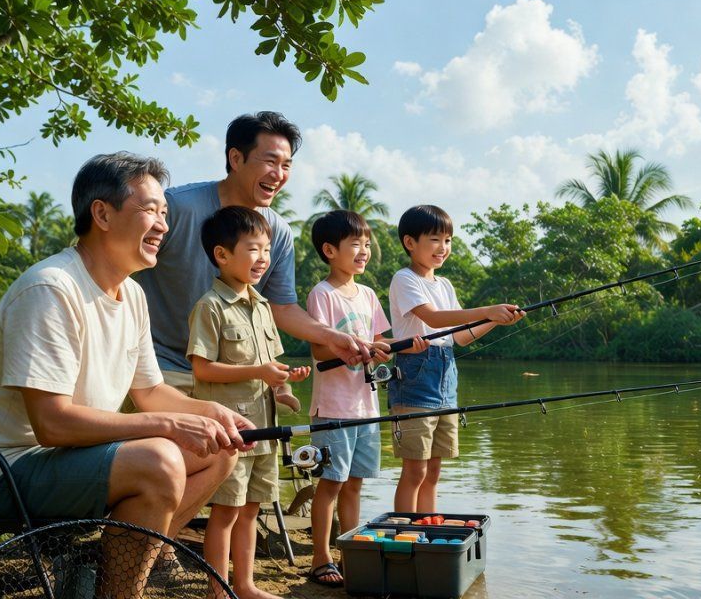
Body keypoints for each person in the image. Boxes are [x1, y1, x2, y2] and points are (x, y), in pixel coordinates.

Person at [0, 153, 253, 591]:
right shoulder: (52, 288)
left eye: (164, 213)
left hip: (64, 462)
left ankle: (106, 564)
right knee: (159, 460)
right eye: (150, 210)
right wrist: (167, 426)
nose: (163, 226)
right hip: (5, 470)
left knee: (220, 449)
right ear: (102, 214)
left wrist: (214, 412)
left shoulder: (132, 294)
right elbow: (52, 424)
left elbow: (152, 392)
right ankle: (120, 588)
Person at [134, 111, 372, 398]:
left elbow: (281, 308)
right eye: (270, 161)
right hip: (161, 372)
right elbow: (122, 268)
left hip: (237, 379)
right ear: (236, 159)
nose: (279, 174)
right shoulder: (176, 208)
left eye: (286, 165)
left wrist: (332, 337)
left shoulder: (279, 232)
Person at [188, 206, 310, 599]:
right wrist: (260, 371)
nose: (263, 259)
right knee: (224, 513)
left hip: (266, 431)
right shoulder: (210, 306)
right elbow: (203, 370)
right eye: (253, 249)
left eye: (267, 250)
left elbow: (270, 366)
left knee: (252, 511)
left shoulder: (263, 307)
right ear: (222, 255)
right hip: (231, 434)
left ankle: (246, 584)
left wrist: (285, 388)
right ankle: (218, 590)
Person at [303, 211, 419, 587]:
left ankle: (349, 553)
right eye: (355, 244)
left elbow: (379, 341)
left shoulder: (368, 294)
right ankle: (321, 558)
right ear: (329, 250)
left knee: (355, 484)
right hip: (333, 409)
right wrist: (351, 348)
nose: (364, 251)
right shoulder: (322, 294)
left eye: (367, 244)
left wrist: (392, 349)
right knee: (331, 484)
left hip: (366, 408)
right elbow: (321, 352)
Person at [387, 205, 525, 513]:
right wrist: (486, 310)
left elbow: (460, 336)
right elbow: (433, 319)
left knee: (434, 471)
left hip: (446, 380)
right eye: (435, 239)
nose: (443, 248)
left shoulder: (445, 284)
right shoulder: (404, 278)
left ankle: (427, 526)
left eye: (448, 240)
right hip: (414, 378)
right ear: (410, 243)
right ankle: (404, 532)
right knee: (415, 470)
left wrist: (495, 320)